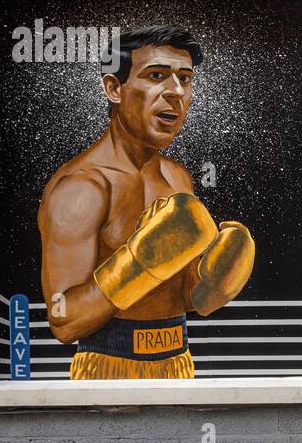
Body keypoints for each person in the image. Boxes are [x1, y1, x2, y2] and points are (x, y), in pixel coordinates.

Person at [37, 25, 255, 379]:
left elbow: (180, 297)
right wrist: (136, 262)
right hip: (106, 368)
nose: (175, 92)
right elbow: (63, 321)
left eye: (185, 79)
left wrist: (214, 283)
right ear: (114, 88)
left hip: (178, 362)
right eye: (156, 76)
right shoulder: (82, 188)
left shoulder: (177, 179)